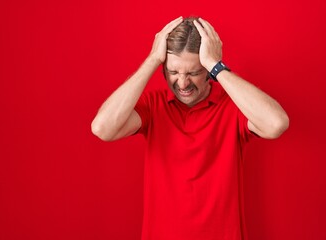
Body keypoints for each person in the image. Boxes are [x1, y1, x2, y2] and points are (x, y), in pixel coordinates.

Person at [91, 16, 289, 240]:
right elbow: (102, 128)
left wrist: (217, 66)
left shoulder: (232, 106)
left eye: (193, 73)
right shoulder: (153, 106)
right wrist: (152, 60)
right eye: (173, 72)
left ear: (207, 71)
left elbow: (276, 124)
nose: (183, 83)